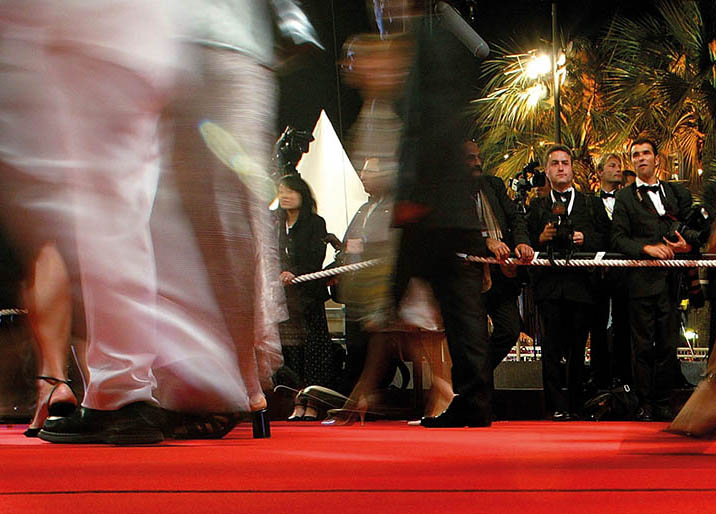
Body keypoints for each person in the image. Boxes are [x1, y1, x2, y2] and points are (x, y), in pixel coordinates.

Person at [393, 12, 491, 428]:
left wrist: (412, 195)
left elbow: (422, 133)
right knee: (462, 313)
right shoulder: (446, 65)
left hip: (431, 209)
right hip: (453, 210)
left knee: (392, 301)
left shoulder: (425, 52)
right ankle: (473, 401)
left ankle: (366, 388)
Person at [611, 137, 700, 421]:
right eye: (635, 155)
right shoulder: (624, 197)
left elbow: (692, 229)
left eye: (646, 153)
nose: (641, 158)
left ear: (656, 159)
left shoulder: (676, 193)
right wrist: (646, 248)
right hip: (641, 282)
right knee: (642, 346)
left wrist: (687, 246)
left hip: (673, 283)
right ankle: (643, 402)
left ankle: (662, 401)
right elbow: (617, 238)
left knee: (667, 344)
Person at [527, 145, 603, 420]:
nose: (561, 167)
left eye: (565, 163)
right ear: (547, 170)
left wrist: (585, 238)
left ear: (572, 168)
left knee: (578, 346)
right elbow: (525, 239)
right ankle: (555, 406)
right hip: (549, 287)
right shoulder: (536, 206)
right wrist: (541, 238)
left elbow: (605, 237)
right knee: (551, 348)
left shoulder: (590, 203)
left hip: (581, 288)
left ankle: (576, 403)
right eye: (555, 163)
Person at [465, 139, 534, 371]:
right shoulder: (449, 194)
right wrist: (486, 242)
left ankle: (478, 378)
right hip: (470, 280)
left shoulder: (493, 184)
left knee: (510, 329)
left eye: (478, 157)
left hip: (502, 277)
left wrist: (521, 244)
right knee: (471, 340)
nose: (477, 163)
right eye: (470, 158)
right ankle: (474, 387)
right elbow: (455, 234)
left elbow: (515, 217)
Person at [277, 174, 335, 421]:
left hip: (308, 296)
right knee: (290, 352)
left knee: (314, 350)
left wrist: (295, 273)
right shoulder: (273, 224)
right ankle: (294, 401)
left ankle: (312, 402)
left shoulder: (315, 223)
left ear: (303, 194)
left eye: (290, 191)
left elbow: (315, 256)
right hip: (282, 299)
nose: (285, 196)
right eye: (281, 191)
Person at [589, 153, 631, 389]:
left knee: (624, 324)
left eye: (619, 166)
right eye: (612, 165)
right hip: (598, 274)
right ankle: (599, 378)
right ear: (600, 172)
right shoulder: (590, 204)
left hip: (625, 274)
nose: (617, 170)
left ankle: (624, 377)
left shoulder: (629, 201)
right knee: (597, 325)